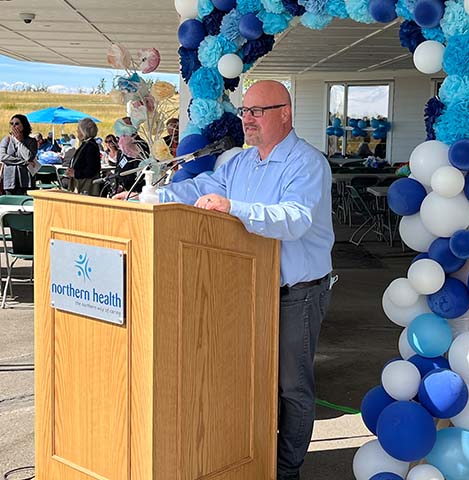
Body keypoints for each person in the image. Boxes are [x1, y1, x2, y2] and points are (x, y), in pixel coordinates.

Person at [142, 81, 334, 480]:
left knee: (290, 389)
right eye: (245, 111)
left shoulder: (307, 163)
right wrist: (148, 198)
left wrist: (235, 207)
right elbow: (200, 189)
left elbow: (294, 219)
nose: (247, 119)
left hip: (295, 295)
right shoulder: (239, 163)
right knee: (248, 382)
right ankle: (252, 461)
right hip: (247, 292)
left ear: (286, 113)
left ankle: (286, 470)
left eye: (257, 112)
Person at [0, 114, 38, 195]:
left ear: (23, 125)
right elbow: (3, 157)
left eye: (16, 124)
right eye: (11, 124)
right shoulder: (6, 140)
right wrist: (24, 162)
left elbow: (29, 157)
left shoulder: (31, 141)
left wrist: (20, 142)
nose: (14, 126)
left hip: (26, 181)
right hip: (9, 181)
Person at [68, 118, 101, 196]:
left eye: (78, 129)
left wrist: (76, 173)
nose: (77, 131)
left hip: (86, 186)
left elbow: (91, 169)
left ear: (83, 131)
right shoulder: (86, 144)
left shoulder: (90, 146)